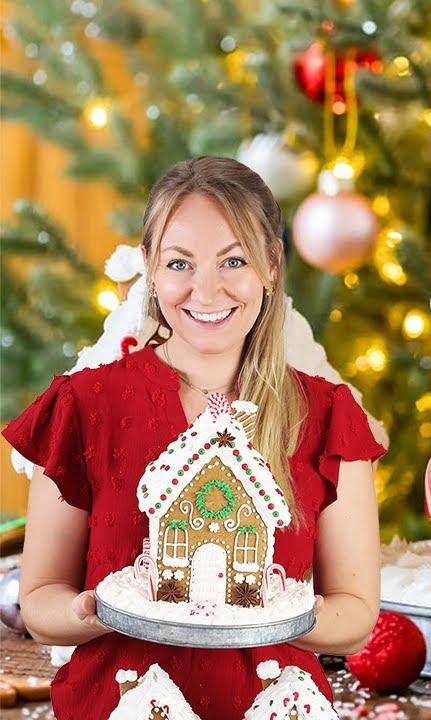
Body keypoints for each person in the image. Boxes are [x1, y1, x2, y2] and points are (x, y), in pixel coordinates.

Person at [3, 156, 386, 717]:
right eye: (179, 263)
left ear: (271, 266)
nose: (206, 291)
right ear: (149, 270)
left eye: (234, 260)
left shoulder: (327, 415)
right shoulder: (83, 405)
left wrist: (265, 613)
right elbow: (40, 600)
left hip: (273, 703)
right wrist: (96, 607)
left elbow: (354, 614)